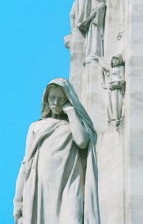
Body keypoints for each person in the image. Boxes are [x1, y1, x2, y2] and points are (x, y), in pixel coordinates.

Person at [13, 78, 100, 224]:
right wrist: (18, 201)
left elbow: (82, 142)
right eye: (52, 98)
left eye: (60, 98)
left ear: (67, 98)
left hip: (69, 186)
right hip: (41, 189)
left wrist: (71, 112)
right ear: (46, 99)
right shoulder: (36, 127)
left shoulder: (73, 126)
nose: (56, 103)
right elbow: (25, 165)